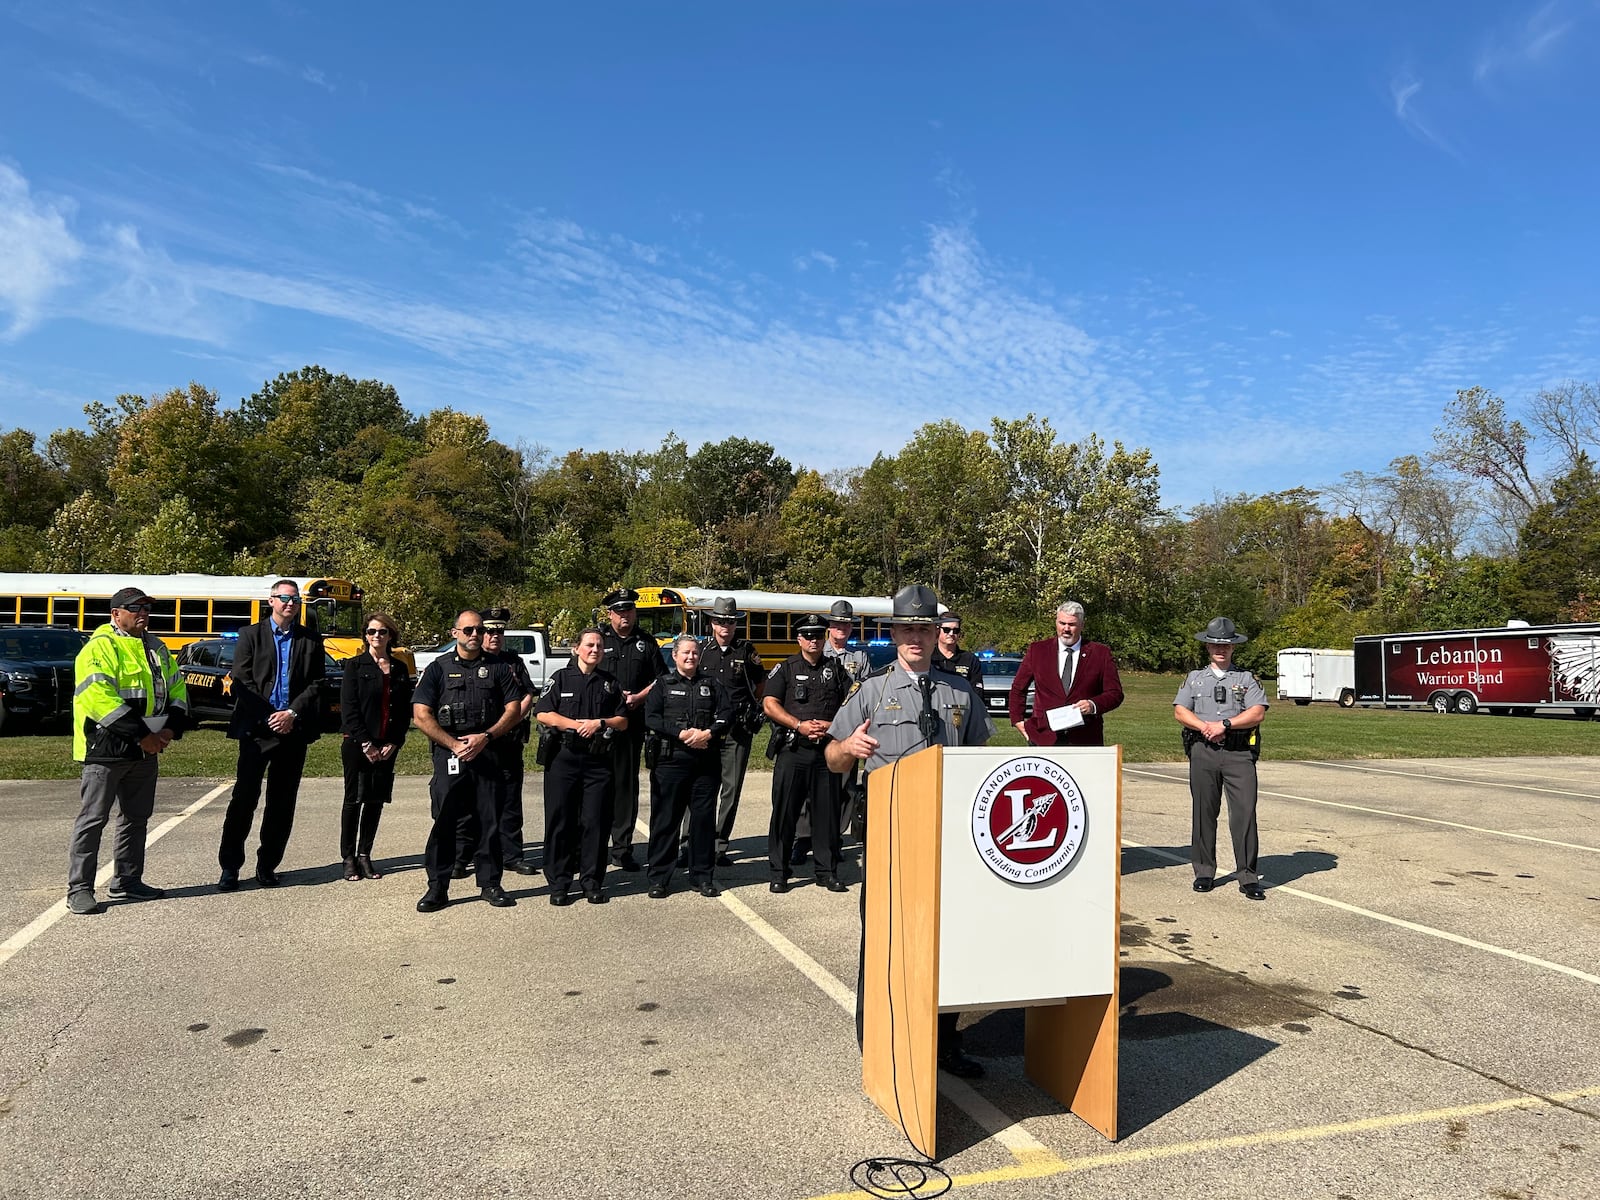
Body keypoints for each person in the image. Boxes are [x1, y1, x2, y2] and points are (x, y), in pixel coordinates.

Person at [826, 584, 993, 1078]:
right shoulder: (873, 690)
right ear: (894, 632)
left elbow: (981, 754)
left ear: (935, 632)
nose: (915, 638)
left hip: (949, 834)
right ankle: (877, 1035)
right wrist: (847, 750)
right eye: (907, 629)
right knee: (884, 935)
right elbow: (833, 758)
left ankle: (944, 1041)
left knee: (948, 938)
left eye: (924, 629)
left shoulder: (960, 691)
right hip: (891, 832)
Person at [66, 586, 189, 915]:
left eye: (146, 608)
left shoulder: (157, 647)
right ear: (115, 614)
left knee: (136, 819)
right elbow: (98, 698)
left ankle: (128, 880)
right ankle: (79, 888)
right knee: (93, 820)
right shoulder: (99, 648)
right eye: (135, 608)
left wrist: (169, 729)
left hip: (147, 750)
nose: (142, 614)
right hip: (106, 750)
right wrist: (141, 736)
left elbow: (177, 688)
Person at [411, 610, 524, 912]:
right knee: (445, 821)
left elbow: (514, 709)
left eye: (480, 630)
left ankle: (490, 884)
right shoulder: (438, 669)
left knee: (490, 820)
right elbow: (421, 715)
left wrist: (486, 737)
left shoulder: (499, 668)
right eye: (469, 630)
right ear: (455, 633)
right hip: (451, 753)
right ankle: (437, 887)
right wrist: (454, 744)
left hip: (488, 751)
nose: (475, 635)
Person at [217, 579, 326, 891]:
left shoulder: (310, 639)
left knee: (281, 803)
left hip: (292, 731)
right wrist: (270, 716)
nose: (289, 604)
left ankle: (267, 866)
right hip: (256, 730)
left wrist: (291, 714)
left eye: (294, 600)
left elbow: (316, 683)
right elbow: (241, 680)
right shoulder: (250, 635)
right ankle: (230, 867)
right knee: (244, 800)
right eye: (283, 598)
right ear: (271, 601)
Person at [1175, 617, 1269, 901]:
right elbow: (1180, 710)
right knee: (1204, 813)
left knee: (1244, 814)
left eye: (1226, 645)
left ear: (1233, 648)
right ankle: (1204, 871)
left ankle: (1248, 876)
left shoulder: (1246, 678)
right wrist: (1204, 727)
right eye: (1216, 644)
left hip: (1238, 754)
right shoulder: (1195, 678)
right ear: (1207, 645)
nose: (1221, 649)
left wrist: (1224, 725)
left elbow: (1257, 712)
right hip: (1203, 752)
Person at [536, 628, 628, 905]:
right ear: (576, 648)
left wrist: (600, 723)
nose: (595, 650)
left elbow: (623, 721)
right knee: (560, 822)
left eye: (599, 646)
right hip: (563, 759)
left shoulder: (610, 683)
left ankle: (591, 882)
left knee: (595, 823)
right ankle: (559, 883)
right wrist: (575, 725)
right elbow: (542, 712)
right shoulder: (560, 677)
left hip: (597, 761)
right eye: (589, 645)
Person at [763, 613, 851, 893]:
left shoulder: (836, 669)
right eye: (808, 635)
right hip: (793, 750)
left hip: (826, 751)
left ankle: (826, 871)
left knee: (827, 815)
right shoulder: (786, 668)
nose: (813, 640)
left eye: (818, 635)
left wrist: (830, 724)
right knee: (785, 813)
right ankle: (779, 872)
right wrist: (798, 725)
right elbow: (769, 703)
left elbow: (852, 702)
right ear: (799, 639)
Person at [643, 634, 733, 899]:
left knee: (703, 822)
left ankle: (702, 876)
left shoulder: (712, 684)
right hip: (671, 762)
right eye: (686, 653)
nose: (691, 657)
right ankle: (659, 878)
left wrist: (709, 733)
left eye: (695, 653)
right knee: (665, 820)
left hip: (705, 763)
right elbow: (652, 717)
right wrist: (681, 733)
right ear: (675, 656)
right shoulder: (663, 684)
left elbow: (727, 714)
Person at [687, 595, 765, 867]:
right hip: (706, 731)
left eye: (731, 622)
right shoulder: (702, 651)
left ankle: (719, 845)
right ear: (712, 623)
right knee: (698, 788)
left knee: (730, 790)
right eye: (721, 621)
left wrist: (748, 709)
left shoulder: (745, 651)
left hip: (736, 731)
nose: (726, 627)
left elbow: (760, 684)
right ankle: (689, 843)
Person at [338, 611, 412, 881]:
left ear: (390, 635)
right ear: (365, 635)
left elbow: (404, 711)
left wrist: (394, 742)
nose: (376, 636)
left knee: (375, 801)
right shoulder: (355, 666)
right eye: (371, 632)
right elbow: (349, 710)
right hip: (358, 745)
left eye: (382, 632)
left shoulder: (400, 668)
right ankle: (348, 857)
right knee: (354, 800)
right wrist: (366, 744)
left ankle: (365, 854)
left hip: (387, 747)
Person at [599, 588, 661, 871]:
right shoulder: (598, 640)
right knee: (596, 787)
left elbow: (661, 679)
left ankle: (622, 848)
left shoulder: (646, 643)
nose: (625, 615)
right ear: (610, 613)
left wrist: (639, 696)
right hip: (598, 726)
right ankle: (592, 846)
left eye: (629, 610)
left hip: (632, 725)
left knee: (626, 787)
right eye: (619, 611)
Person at [1009, 600, 1123, 748]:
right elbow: (1018, 688)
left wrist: (1093, 705)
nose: (1066, 629)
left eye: (1072, 624)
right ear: (1056, 622)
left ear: (1082, 625)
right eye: (1062, 623)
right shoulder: (1037, 650)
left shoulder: (1100, 653)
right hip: (1044, 738)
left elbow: (1115, 693)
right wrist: (1017, 720)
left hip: (1085, 739)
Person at [478, 608, 537, 875]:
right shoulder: (474, 661)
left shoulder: (513, 661)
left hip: (509, 740)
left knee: (511, 800)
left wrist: (511, 720)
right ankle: (473, 854)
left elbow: (527, 694)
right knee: (477, 801)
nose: (495, 636)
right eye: (490, 631)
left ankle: (512, 855)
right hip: (481, 743)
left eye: (499, 632)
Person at [822, 599, 872, 844]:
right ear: (829, 626)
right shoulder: (818, 651)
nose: (841, 628)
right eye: (837, 623)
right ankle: (806, 836)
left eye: (846, 624)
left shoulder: (859, 657)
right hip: (821, 723)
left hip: (848, 726)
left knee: (846, 783)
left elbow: (865, 689)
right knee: (815, 782)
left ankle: (836, 835)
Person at [931, 613, 983, 685]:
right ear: (938, 631)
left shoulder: (970, 660)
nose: (951, 633)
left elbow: (976, 692)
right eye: (947, 630)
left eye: (956, 630)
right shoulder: (928, 658)